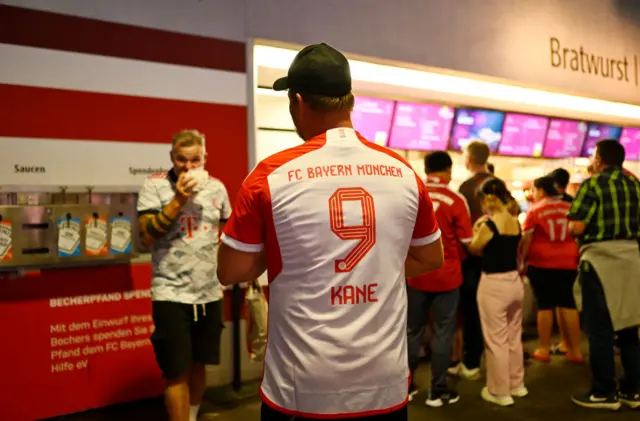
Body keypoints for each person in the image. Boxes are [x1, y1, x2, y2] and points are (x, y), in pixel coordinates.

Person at [216, 43, 444, 421]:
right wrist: (375, 269)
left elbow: (231, 270)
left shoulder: (270, 176)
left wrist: (298, 262)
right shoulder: (403, 172)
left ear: (299, 101)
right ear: (348, 101)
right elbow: (429, 258)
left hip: (302, 387)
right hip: (384, 383)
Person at [137, 130, 231, 421]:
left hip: (209, 291)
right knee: (176, 371)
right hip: (170, 292)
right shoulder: (154, 187)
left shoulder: (217, 188)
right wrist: (179, 198)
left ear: (205, 158)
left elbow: (229, 230)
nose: (188, 167)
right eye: (182, 160)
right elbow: (147, 236)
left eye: (195, 160)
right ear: (172, 158)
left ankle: (191, 416)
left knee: (199, 364)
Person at [568, 139, 640, 410]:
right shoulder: (635, 185)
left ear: (599, 159)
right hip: (632, 261)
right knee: (630, 327)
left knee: (600, 330)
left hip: (599, 262)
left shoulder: (593, 184)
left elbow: (577, 226)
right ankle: (633, 391)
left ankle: (604, 392)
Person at [407, 151, 473, 407]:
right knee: (443, 334)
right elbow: (467, 241)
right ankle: (438, 390)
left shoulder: (411, 193)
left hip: (415, 276)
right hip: (447, 276)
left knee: (412, 331)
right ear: (447, 170)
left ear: (426, 169)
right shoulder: (456, 199)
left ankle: (408, 386)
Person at [468, 178, 526, 407]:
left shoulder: (488, 226)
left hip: (493, 285)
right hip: (514, 282)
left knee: (496, 340)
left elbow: (474, 248)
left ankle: (500, 392)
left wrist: (476, 230)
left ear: (485, 199)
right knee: (514, 336)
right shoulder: (515, 222)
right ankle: (517, 384)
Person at [520, 176, 583, 363]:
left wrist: (522, 262)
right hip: (569, 262)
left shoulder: (535, 210)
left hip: (542, 264)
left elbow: (527, 240)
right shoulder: (569, 207)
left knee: (545, 305)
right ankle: (575, 350)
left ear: (541, 190)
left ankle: (544, 349)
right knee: (568, 304)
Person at [452, 141, 493, 379]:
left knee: (470, 310)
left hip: (470, 257)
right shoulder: (498, 185)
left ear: (469, 158)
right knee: (490, 312)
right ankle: (484, 363)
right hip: (495, 259)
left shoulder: (466, 188)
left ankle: (468, 361)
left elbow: (461, 227)